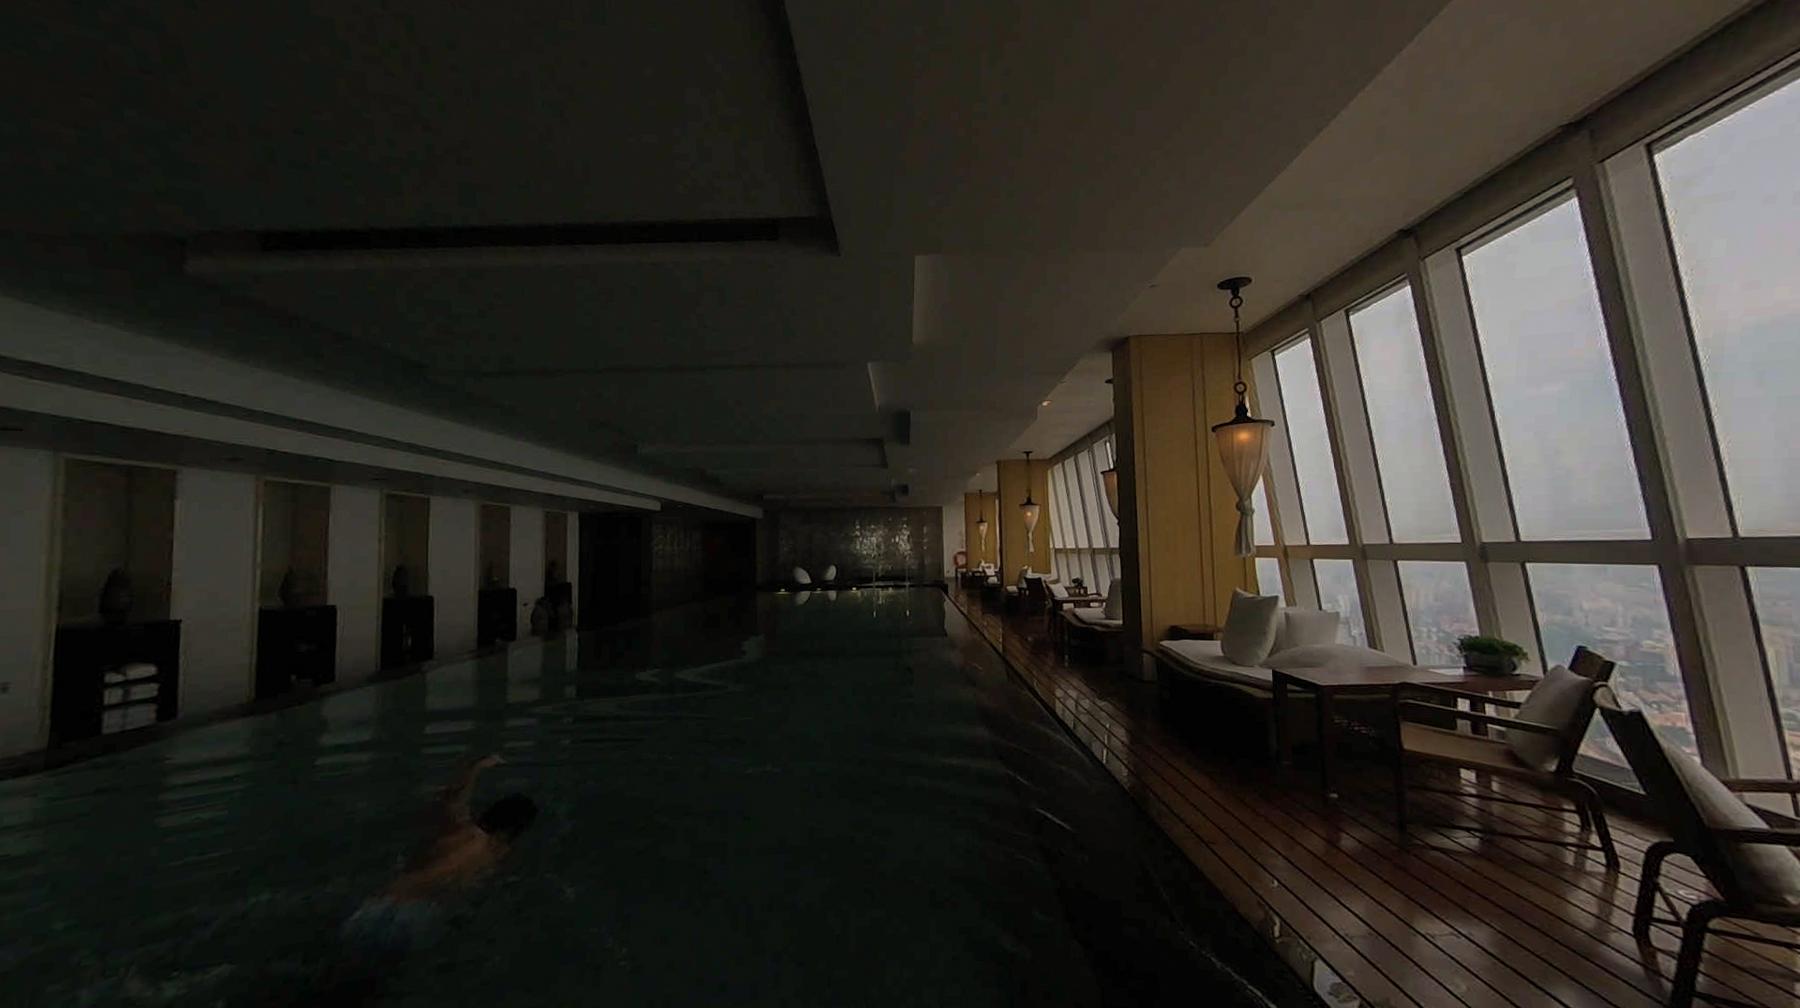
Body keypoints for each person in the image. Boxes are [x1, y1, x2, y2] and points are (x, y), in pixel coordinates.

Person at [337, 754, 536, 966]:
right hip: (417, 919)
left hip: (387, 903)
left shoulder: (463, 833)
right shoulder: (493, 858)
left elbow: (452, 799)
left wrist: (475, 768)